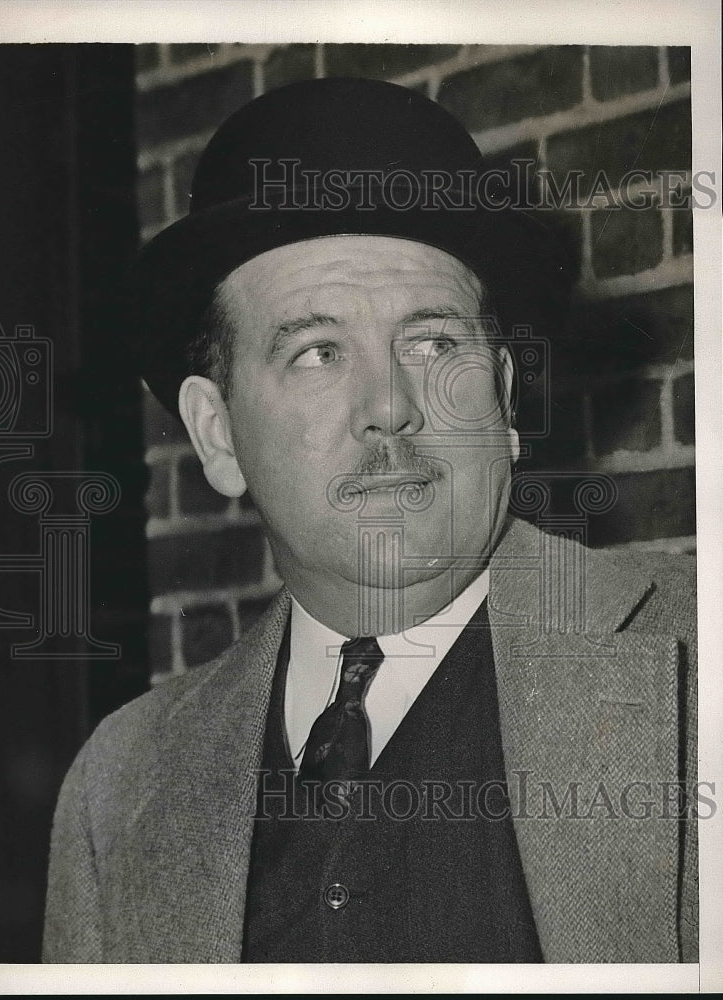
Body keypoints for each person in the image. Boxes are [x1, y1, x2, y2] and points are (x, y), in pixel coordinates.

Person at [43, 77, 697, 964]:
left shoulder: (699, 666)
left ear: (503, 400)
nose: (389, 406)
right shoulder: (116, 789)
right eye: (317, 352)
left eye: (433, 343)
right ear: (218, 433)